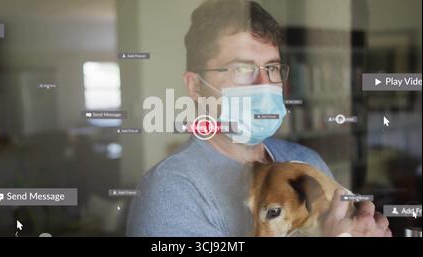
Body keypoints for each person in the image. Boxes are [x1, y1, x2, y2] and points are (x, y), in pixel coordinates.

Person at [126, 0, 391, 237]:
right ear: (196, 86)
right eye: (243, 69)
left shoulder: (308, 162)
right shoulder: (170, 193)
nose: (265, 84)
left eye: (272, 68)